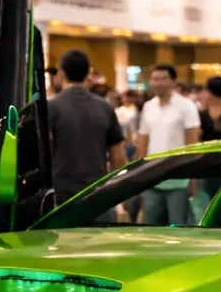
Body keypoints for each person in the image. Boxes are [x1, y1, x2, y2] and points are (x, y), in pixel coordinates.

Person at [48, 49, 125, 210]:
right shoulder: (105, 108)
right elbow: (118, 156)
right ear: (88, 73)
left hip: (61, 194)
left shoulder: (52, 107)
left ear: (62, 73)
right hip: (97, 192)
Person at [136, 63, 201, 225]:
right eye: (154, 79)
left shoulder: (186, 107)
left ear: (173, 81)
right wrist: (139, 172)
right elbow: (143, 140)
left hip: (178, 179)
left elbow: (192, 141)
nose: (158, 83)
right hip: (152, 178)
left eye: (163, 79)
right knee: (150, 226)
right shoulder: (148, 107)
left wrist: (193, 176)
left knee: (177, 227)